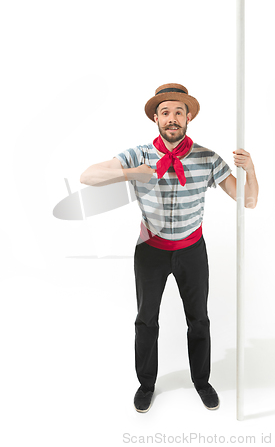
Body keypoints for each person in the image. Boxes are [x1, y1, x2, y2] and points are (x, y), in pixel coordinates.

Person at [80, 83, 259, 413]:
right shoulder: (140, 154)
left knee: (199, 320)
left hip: (192, 250)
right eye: (165, 112)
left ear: (188, 117)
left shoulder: (207, 157)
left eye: (179, 112)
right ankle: (146, 384)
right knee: (146, 319)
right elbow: (87, 176)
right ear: (156, 119)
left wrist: (249, 168)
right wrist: (134, 173)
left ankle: (201, 382)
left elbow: (247, 200)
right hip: (150, 250)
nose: (172, 118)